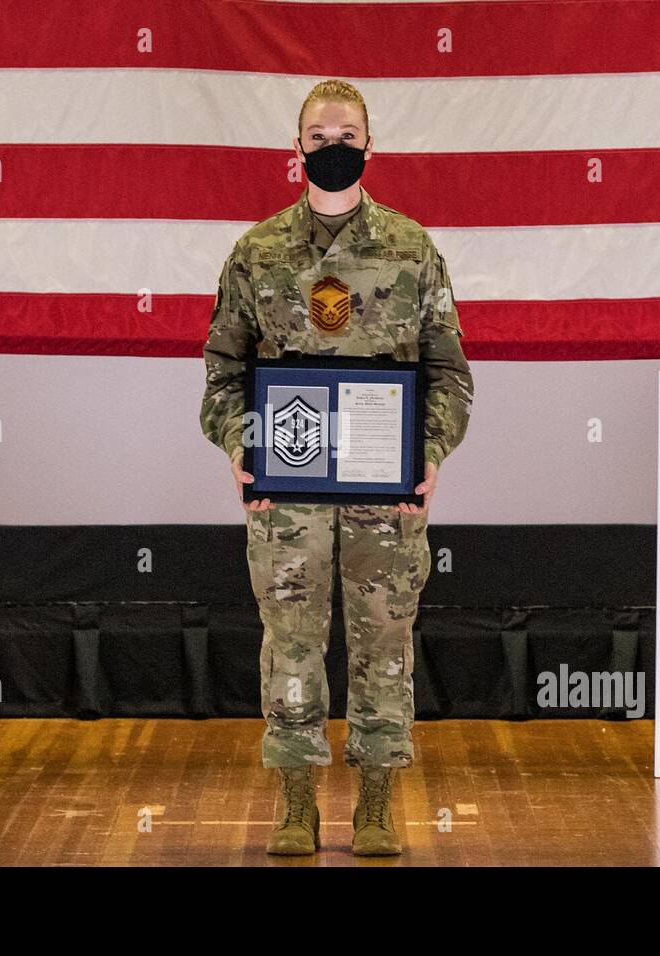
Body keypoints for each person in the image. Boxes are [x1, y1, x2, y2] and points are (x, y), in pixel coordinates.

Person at [199, 79, 474, 856]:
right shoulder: (256, 253)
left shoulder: (412, 250)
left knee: (384, 642)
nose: (332, 147)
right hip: (286, 499)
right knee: (290, 641)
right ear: (296, 150)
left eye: (345, 134)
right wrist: (241, 450)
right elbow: (222, 374)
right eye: (317, 136)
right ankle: (295, 803)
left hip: (384, 498)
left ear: (369, 145)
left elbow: (449, 375)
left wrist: (428, 455)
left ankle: (378, 805)